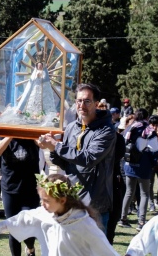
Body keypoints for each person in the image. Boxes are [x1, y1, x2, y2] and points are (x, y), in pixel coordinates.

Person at [38, 83, 116, 233]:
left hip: (95, 203)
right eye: (79, 101)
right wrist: (52, 149)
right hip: (71, 201)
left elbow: (89, 159)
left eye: (87, 101)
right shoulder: (72, 127)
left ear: (97, 104)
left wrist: (57, 146)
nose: (82, 105)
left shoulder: (106, 130)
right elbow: (64, 163)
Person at [0, 174, 120, 256]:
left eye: (46, 201)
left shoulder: (84, 224)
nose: (42, 204)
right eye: (41, 199)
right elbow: (22, 219)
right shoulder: (45, 214)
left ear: (62, 200)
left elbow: (105, 250)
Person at [0, 137, 41, 256]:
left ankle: (30, 248)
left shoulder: (30, 134)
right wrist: (10, 135)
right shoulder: (5, 133)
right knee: (13, 227)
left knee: (28, 224)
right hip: (10, 188)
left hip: (30, 189)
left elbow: (43, 144)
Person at [118, 109, 158, 231]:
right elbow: (154, 149)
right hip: (144, 164)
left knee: (129, 192)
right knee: (144, 193)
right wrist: (154, 163)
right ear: (147, 117)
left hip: (129, 163)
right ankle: (141, 221)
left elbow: (123, 143)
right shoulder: (149, 131)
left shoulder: (130, 128)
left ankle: (123, 218)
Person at [147, 115, 158, 212]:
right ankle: (151, 203)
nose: (155, 127)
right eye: (153, 125)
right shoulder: (148, 134)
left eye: (157, 125)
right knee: (150, 184)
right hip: (151, 163)